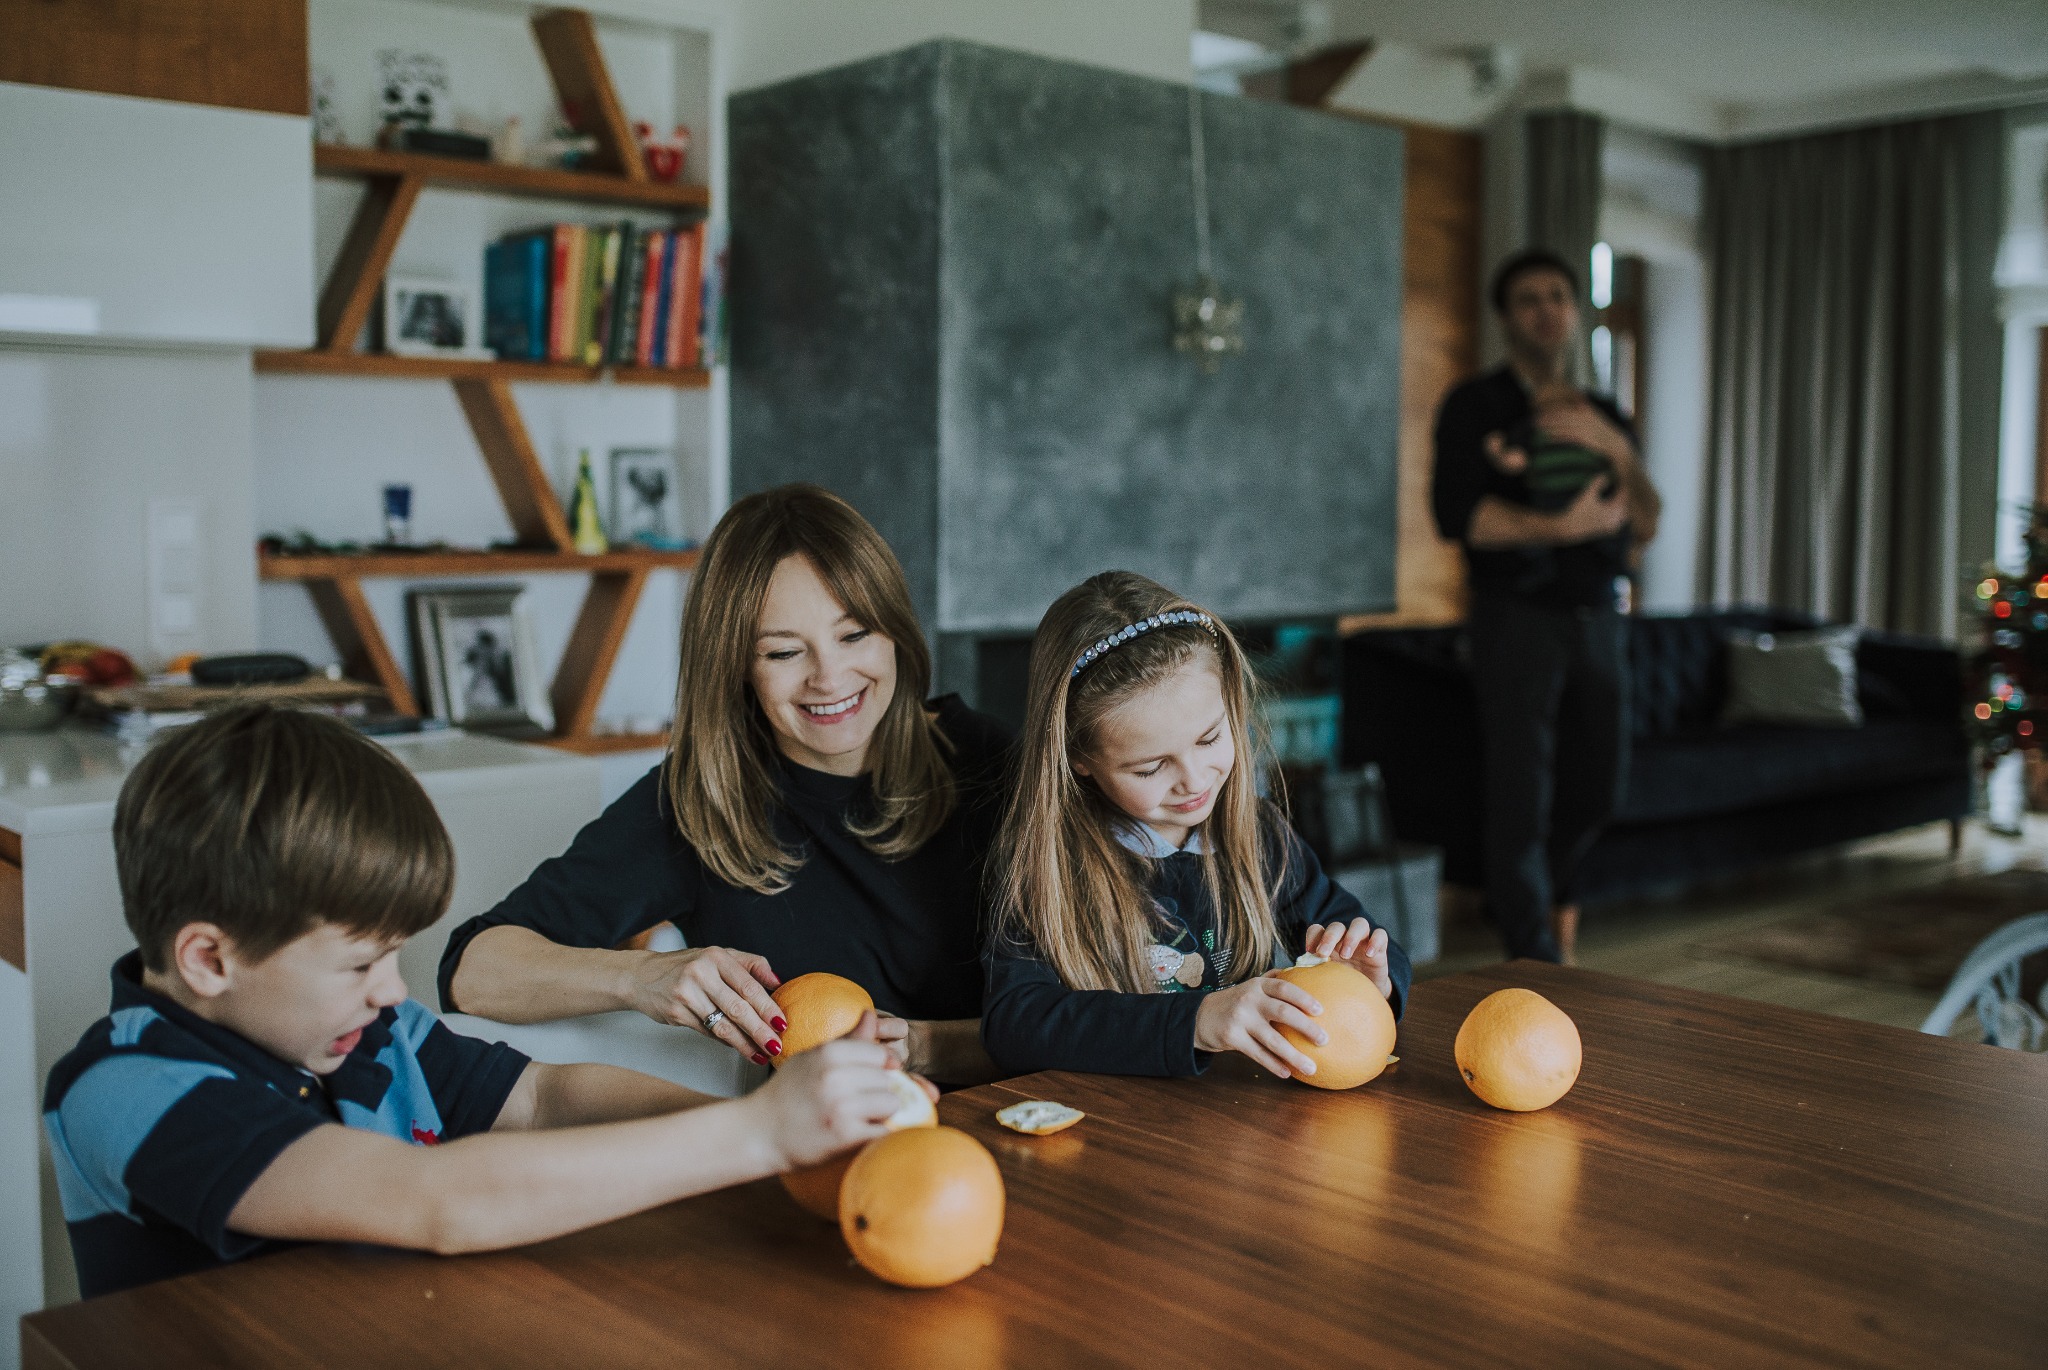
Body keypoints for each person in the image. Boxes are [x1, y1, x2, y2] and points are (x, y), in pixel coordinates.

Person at [43, 705, 926, 1298]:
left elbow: (544, 1097)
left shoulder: (368, 1029)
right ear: (209, 959)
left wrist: (777, 1136)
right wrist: (756, 1134)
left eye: (394, 955)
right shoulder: (125, 1090)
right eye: (359, 964)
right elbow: (433, 1200)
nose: (393, 991)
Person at [438, 485, 1010, 1085]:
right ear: (736, 666)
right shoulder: (699, 801)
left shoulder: (991, 763)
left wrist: (921, 1047)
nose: (830, 676)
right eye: (784, 652)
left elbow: (1065, 1017)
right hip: (817, 1135)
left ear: (895, 632)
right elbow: (471, 971)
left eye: (854, 635)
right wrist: (642, 978)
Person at [980, 571, 1411, 1079]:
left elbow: (1367, 940)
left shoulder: (1259, 834)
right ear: (1078, 758)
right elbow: (1013, 1026)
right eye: (1150, 768)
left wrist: (1369, 978)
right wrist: (1196, 1021)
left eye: (1209, 739)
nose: (1194, 780)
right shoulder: (1044, 866)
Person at [1430, 249, 1663, 964]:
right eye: (1529, 298)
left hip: (1600, 618)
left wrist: (1615, 450)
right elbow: (1458, 517)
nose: (1547, 310)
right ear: (1506, 316)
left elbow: (1648, 519)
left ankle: (1528, 897)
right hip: (1516, 618)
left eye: (1559, 296)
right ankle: (1535, 955)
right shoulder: (1475, 407)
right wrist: (1560, 528)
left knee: (1601, 787)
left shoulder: (1603, 413)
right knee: (1520, 791)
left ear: (1574, 311)